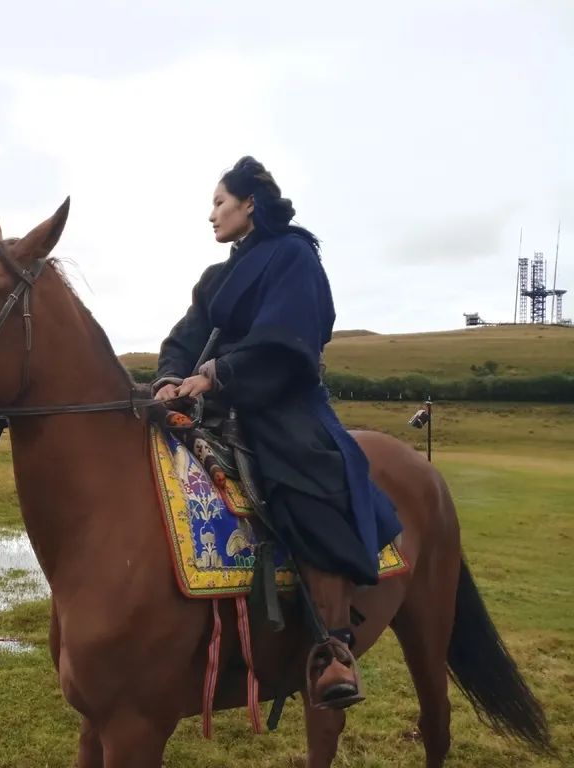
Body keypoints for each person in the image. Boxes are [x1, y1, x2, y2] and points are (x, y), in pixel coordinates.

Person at [153, 156, 402, 710]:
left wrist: (216, 374)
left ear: (249, 205)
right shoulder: (218, 278)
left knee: (305, 481)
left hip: (283, 402)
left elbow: (287, 340)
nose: (211, 214)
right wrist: (173, 377)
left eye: (220, 202)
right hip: (218, 407)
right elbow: (185, 334)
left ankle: (332, 649)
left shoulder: (293, 254)